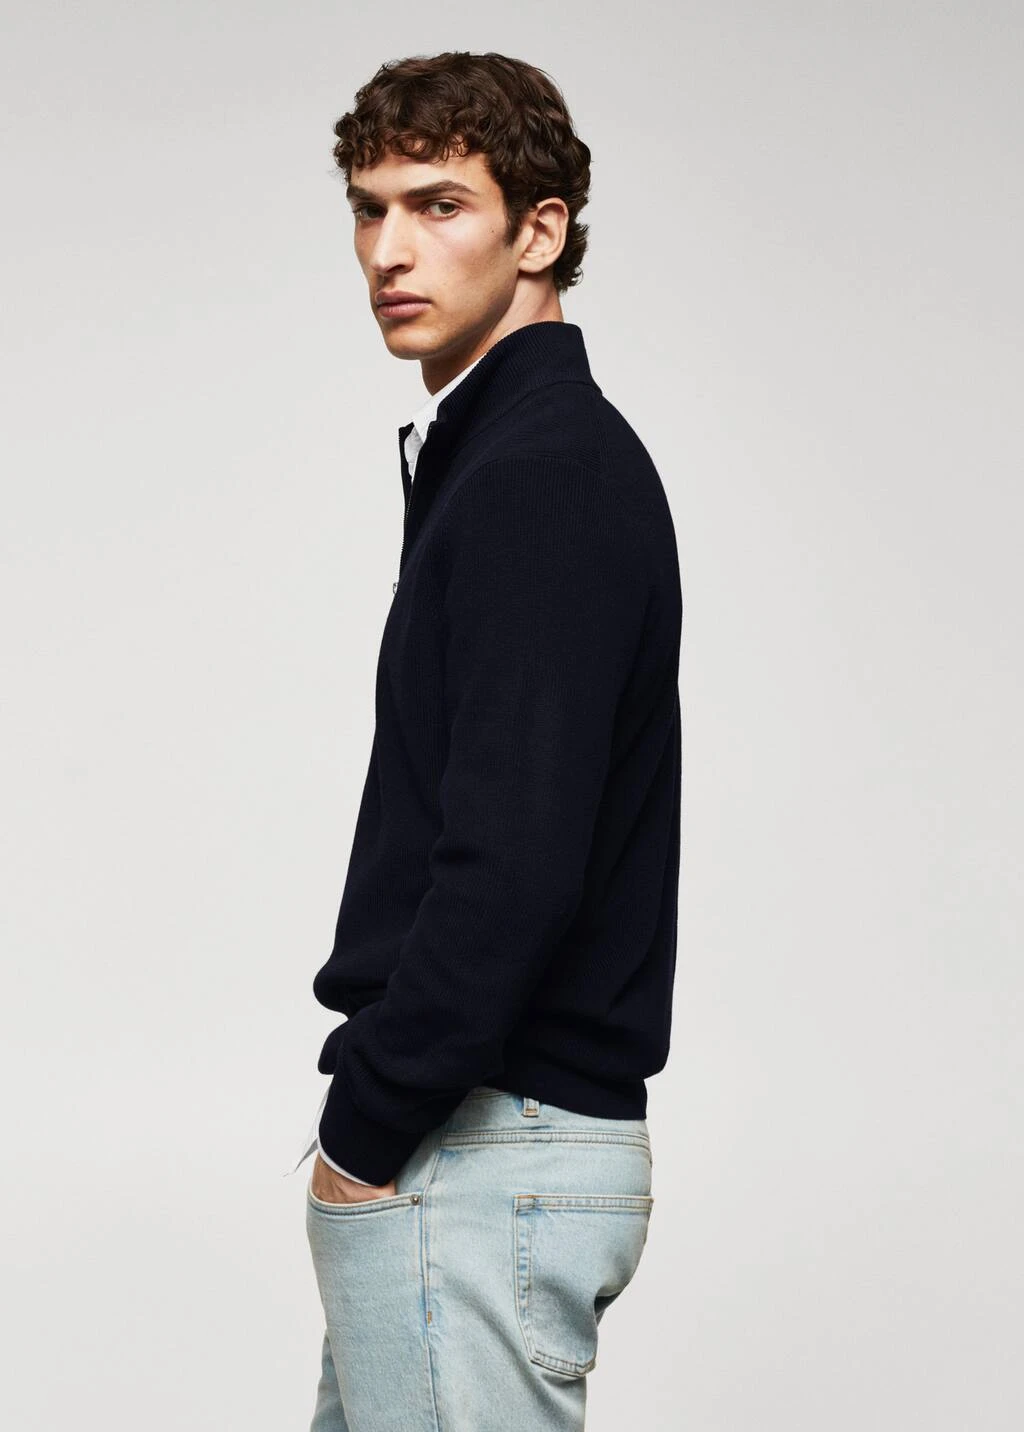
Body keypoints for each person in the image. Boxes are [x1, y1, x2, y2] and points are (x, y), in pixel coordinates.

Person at [288, 50, 682, 1431]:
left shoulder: (543, 475)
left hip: (477, 1147)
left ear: (540, 229)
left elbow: (513, 862)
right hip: (469, 1146)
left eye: (439, 204)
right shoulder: (504, 461)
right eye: (369, 208)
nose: (388, 251)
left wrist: (365, 1128)